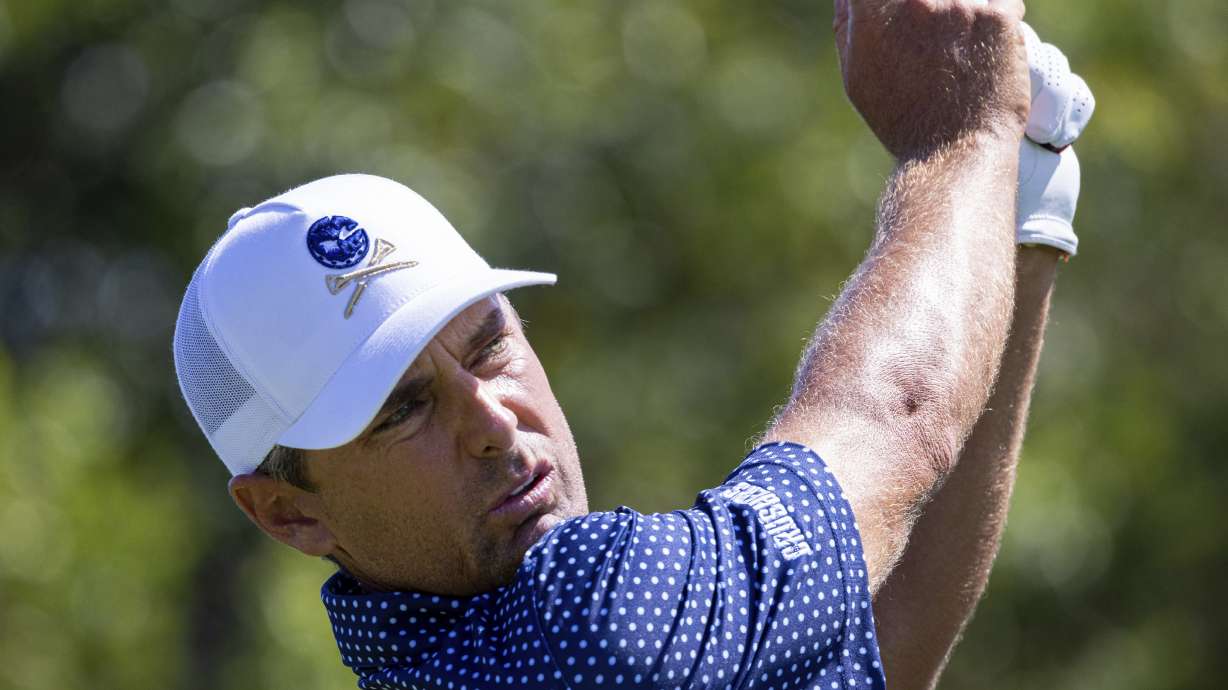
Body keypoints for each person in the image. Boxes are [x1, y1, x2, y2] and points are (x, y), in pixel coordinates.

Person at [171, 1, 1093, 687]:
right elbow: (891, 420)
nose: (493, 421)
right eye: (401, 409)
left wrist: (1022, 214)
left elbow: (872, 645)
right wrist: (963, 128)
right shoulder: (583, 629)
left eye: (489, 344)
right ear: (287, 514)